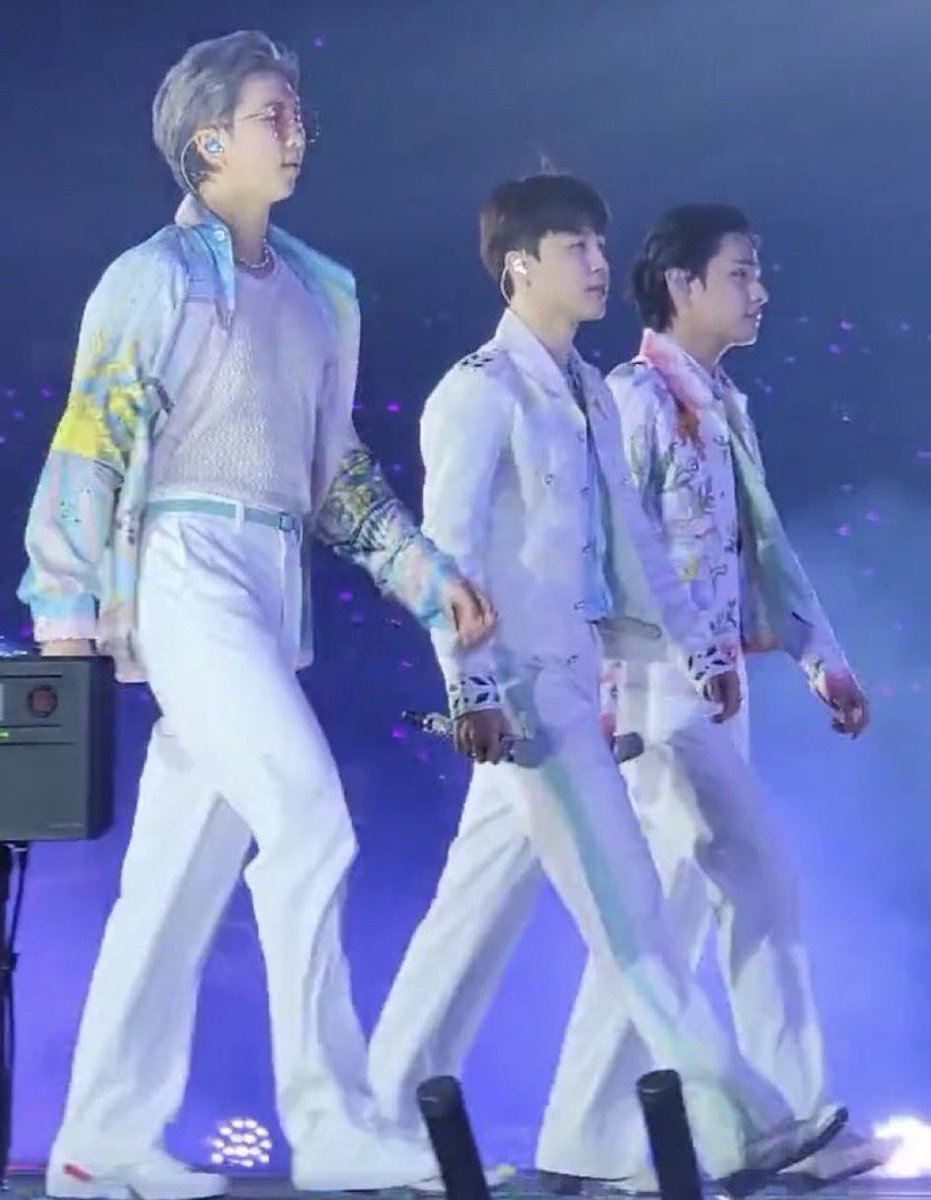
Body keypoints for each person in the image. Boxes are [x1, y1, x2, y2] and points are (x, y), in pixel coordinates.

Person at [19, 30, 494, 1199]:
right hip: (181, 565)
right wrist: (64, 605)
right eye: (270, 113)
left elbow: (335, 473)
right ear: (207, 141)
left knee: (177, 878)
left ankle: (96, 1144)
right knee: (309, 820)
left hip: (270, 577)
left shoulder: (324, 292)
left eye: (296, 112)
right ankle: (330, 1123)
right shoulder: (151, 278)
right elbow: (92, 437)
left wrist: (423, 575)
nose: (295, 130)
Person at [368, 176, 844, 1196]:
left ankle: (378, 1119)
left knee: (470, 923)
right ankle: (744, 1124)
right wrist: (469, 692)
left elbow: (634, 556)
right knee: (634, 916)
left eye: (597, 244)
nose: (596, 264)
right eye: (575, 247)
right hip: (522, 703)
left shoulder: (583, 390)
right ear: (519, 267)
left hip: (573, 692)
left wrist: (695, 657)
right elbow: (445, 562)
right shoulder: (479, 393)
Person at [535, 203, 886, 1192]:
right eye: (740, 272)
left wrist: (820, 659)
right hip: (655, 694)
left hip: (714, 690)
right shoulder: (633, 397)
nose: (758, 291)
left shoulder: (723, 403)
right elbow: (600, 556)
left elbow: (760, 547)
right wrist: (614, 696)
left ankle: (587, 1143)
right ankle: (778, 1124)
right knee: (740, 886)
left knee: (676, 914)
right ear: (681, 285)